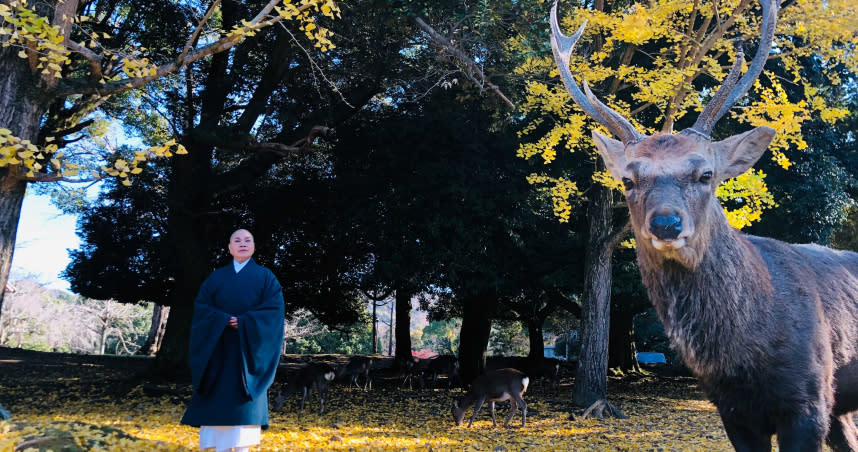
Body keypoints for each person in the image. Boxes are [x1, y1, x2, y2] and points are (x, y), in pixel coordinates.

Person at [181, 229, 285, 452]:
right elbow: (201, 308)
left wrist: (246, 322)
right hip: (217, 352)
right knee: (218, 412)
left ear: (254, 246)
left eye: (248, 240)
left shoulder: (267, 278)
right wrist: (222, 319)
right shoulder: (216, 278)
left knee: (242, 419)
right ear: (229, 247)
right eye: (237, 240)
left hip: (248, 354)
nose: (243, 244)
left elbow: (274, 313)